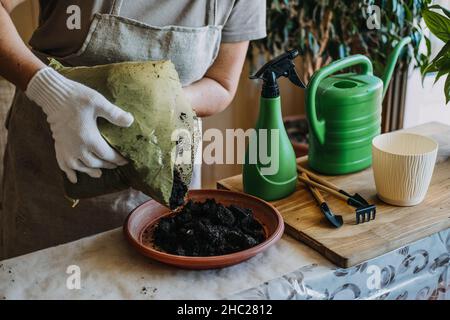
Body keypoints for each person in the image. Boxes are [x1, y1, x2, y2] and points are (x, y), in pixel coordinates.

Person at [0, 0, 266, 260]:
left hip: (163, 183)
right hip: (50, 183)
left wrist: (158, 100)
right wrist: (47, 88)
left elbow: (221, 84)